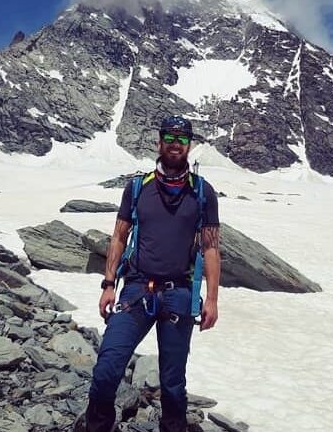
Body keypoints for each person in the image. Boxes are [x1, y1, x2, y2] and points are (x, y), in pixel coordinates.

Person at [82, 115, 221, 432]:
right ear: (159, 142)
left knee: (173, 382)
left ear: (190, 146)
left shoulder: (202, 193)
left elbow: (211, 248)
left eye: (182, 139)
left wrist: (211, 299)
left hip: (180, 292)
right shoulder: (136, 187)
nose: (175, 144)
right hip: (136, 289)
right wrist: (108, 285)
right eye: (170, 138)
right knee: (107, 367)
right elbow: (119, 236)